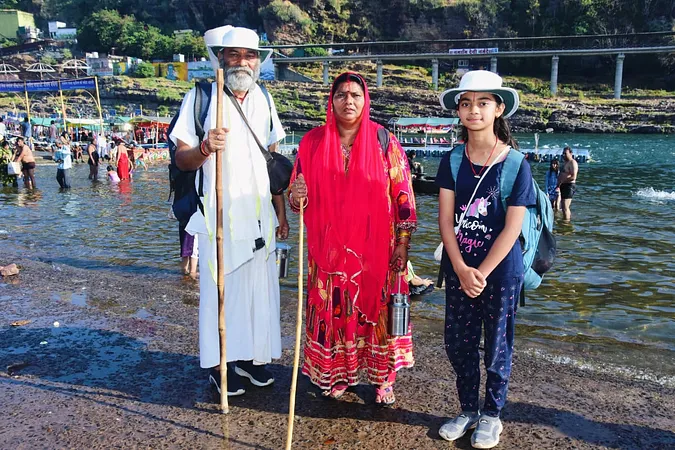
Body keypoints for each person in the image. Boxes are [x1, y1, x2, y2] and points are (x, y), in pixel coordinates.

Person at [171, 26, 288, 397]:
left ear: (258, 62)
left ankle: (252, 360)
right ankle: (220, 365)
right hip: (220, 217)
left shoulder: (265, 98)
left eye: (249, 55)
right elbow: (181, 158)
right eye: (234, 54)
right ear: (220, 58)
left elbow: (272, 160)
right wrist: (205, 148)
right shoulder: (201, 97)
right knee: (222, 294)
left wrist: (281, 212)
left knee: (258, 293)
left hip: (260, 217)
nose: (242, 62)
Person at [289, 72, 416, 405]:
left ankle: (383, 379)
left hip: (377, 250)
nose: (349, 101)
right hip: (329, 252)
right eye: (342, 95)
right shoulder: (312, 142)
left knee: (379, 313)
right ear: (331, 101)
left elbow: (403, 194)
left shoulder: (384, 140)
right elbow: (297, 198)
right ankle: (339, 374)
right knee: (334, 312)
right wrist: (297, 195)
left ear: (365, 100)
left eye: (356, 95)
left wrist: (402, 243)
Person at [435, 70, 535, 449]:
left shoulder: (516, 164)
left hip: (501, 272)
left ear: (499, 109)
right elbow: (445, 220)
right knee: (458, 343)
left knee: (497, 344)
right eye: (466, 103)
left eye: (482, 102)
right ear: (459, 111)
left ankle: (492, 414)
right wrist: (462, 269)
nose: (473, 110)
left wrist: (480, 273)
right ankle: (468, 410)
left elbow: (512, 228)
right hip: (459, 267)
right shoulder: (452, 160)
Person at [558, 146, 578, 221]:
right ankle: (565, 219)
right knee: (563, 206)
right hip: (563, 185)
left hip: (569, 186)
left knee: (565, 207)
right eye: (563, 153)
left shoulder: (572, 163)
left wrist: (563, 180)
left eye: (565, 153)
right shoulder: (565, 163)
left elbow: (573, 177)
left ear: (571, 153)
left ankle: (566, 222)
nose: (564, 155)